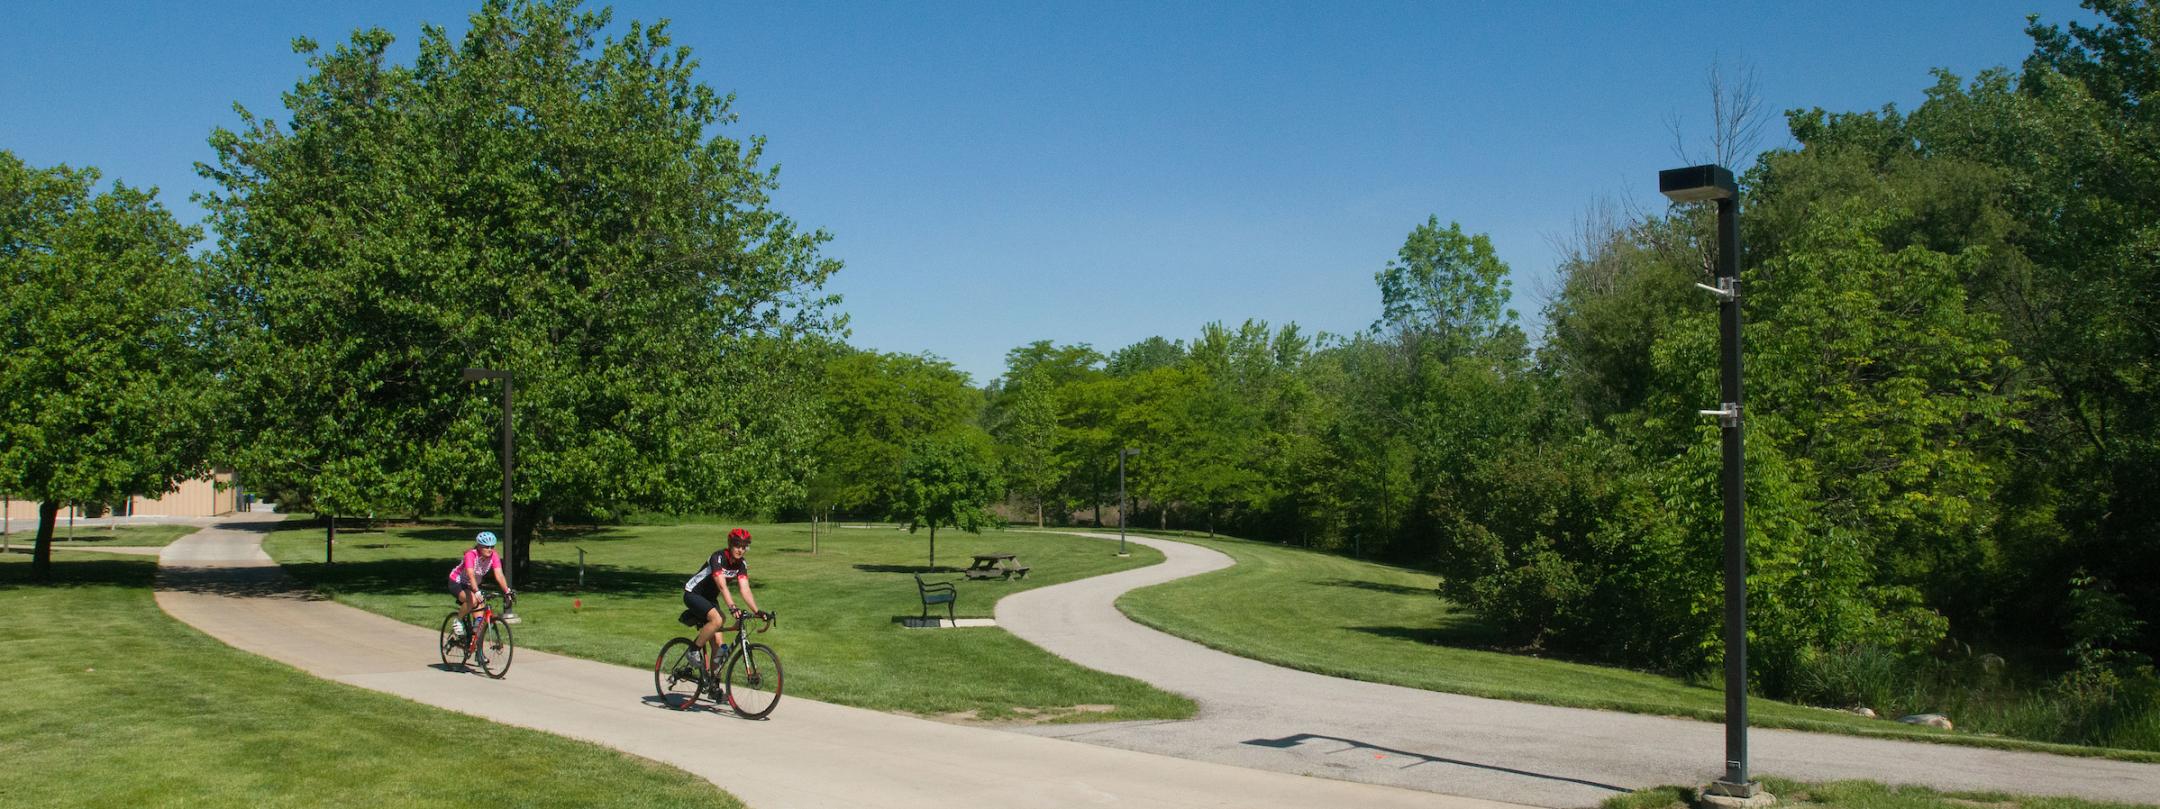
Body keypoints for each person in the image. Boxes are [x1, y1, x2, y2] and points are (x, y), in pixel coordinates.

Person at [683, 527, 767, 670]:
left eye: (744, 546)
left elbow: (745, 589)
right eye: (737, 545)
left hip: (709, 598)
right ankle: (693, 650)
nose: (740, 550)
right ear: (730, 544)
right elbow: (722, 586)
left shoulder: (741, 564)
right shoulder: (717, 558)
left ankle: (714, 685)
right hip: (694, 594)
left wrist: (757, 611)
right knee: (717, 620)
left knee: (719, 645)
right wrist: (732, 607)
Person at [448, 531, 513, 639]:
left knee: (479, 622)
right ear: (479, 546)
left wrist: (507, 591)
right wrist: (476, 591)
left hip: (472, 585)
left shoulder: (494, 556)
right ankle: (458, 620)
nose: (490, 549)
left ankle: (476, 648)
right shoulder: (471, 555)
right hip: (457, 582)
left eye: (492, 546)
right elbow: (470, 574)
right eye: (486, 546)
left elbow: (499, 575)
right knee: (473, 600)